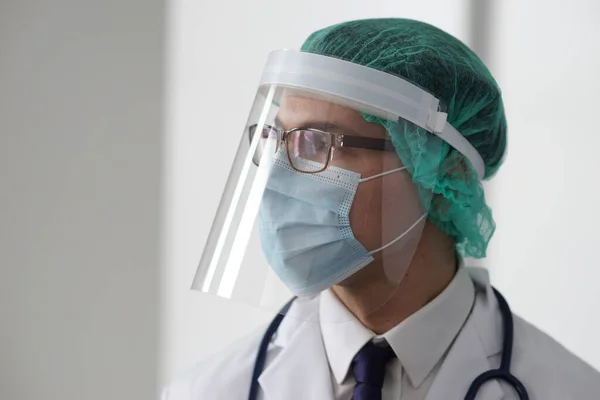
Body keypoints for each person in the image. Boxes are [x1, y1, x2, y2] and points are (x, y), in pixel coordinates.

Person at [162, 18, 600, 399]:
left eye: (319, 142)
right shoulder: (205, 392)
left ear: (448, 175)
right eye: (276, 139)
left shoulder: (572, 391)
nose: (278, 174)